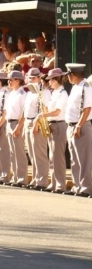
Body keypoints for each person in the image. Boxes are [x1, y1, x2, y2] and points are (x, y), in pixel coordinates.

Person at [35, 68, 68, 193]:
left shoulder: (62, 93)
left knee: (58, 157)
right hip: (52, 124)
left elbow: (57, 111)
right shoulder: (54, 93)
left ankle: (60, 184)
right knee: (52, 156)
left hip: (59, 124)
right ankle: (54, 183)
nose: (49, 83)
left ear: (56, 80)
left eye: (51, 80)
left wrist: (43, 116)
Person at [63, 63, 92, 197]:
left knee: (83, 159)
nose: (68, 77)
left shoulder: (85, 87)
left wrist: (79, 125)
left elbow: (87, 108)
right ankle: (77, 185)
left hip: (81, 125)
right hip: (71, 125)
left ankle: (85, 188)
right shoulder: (76, 87)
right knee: (74, 158)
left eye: (68, 75)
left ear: (72, 75)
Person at [22, 68, 51, 190]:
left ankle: (42, 180)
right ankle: (35, 178)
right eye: (29, 77)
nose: (31, 80)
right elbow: (26, 110)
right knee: (32, 153)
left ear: (39, 78)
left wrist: (38, 123)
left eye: (34, 78)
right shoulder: (30, 92)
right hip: (28, 121)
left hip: (38, 122)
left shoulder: (44, 91)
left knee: (40, 153)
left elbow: (45, 109)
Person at [3, 70, 29, 187]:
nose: (9, 82)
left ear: (18, 80)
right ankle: (16, 177)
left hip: (16, 123)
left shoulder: (22, 94)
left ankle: (22, 178)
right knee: (12, 152)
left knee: (19, 152)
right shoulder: (11, 93)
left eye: (11, 80)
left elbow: (24, 112)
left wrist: (19, 127)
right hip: (9, 122)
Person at [0, 71, 12, 184]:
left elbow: (5, 112)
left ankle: (5, 175)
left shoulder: (6, 93)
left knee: (3, 150)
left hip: (1, 122)